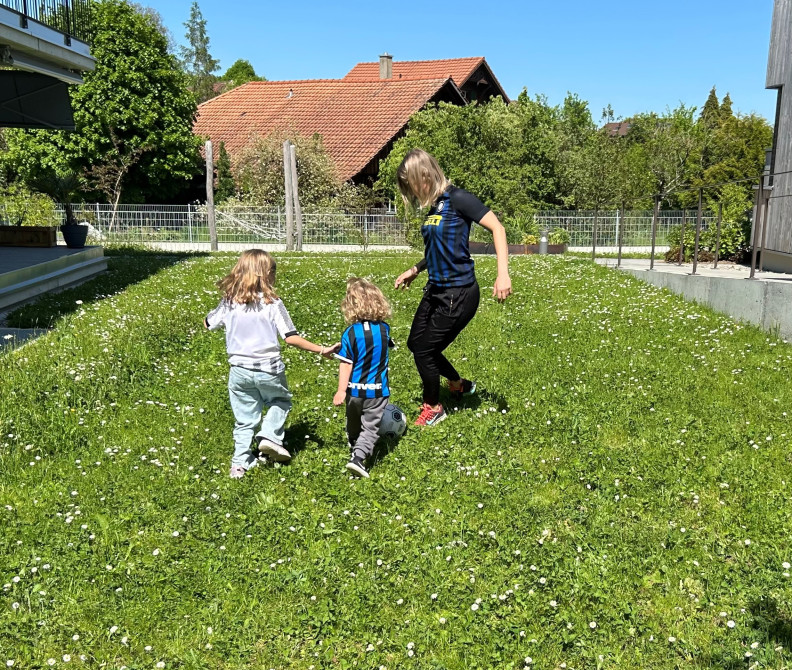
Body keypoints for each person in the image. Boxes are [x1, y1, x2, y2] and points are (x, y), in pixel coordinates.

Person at [394, 148, 511, 426]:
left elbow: (498, 228)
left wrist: (503, 274)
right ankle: (458, 384)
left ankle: (434, 407)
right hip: (436, 289)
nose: (411, 192)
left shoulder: (459, 199)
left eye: (411, 184)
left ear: (424, 174)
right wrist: (415, 270)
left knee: (425, 351)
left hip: (459, 293)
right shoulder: (436, 205)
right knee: (416, 344)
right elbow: (440, 247)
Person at [205, 249, 339, 479]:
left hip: (239, 371)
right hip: (269, 368)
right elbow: (290, 337)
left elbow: (209, 324)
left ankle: (239, 464)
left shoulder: (229, 301)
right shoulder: (273, 303)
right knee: (280, 401)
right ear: (266, 275)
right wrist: (321, 349)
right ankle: (268, 436)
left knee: (245, 417)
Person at [333, 278, 395, 478]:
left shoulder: (350, 333)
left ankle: (354, 445)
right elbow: (389, 346)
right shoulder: (385, 330)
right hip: (377, 391)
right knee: (370, 427)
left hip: (354, 390)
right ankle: (359, 458)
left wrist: (341, 390)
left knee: (353, 422)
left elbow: (346, 363)